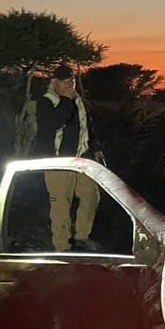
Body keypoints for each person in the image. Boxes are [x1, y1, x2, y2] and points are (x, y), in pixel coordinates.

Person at [32, 64, 103, 252]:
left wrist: (95, 148)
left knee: (91, 195)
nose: (69, 84)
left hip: (81, 160)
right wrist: (65, 100)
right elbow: (54, 122)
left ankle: (82, 237)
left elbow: (87, 126)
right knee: (61, 204)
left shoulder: (78, 100)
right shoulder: (46, 102)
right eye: (64, 81)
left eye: (71, 80)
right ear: (54, 82)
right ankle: (62, 246)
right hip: (58, 162)